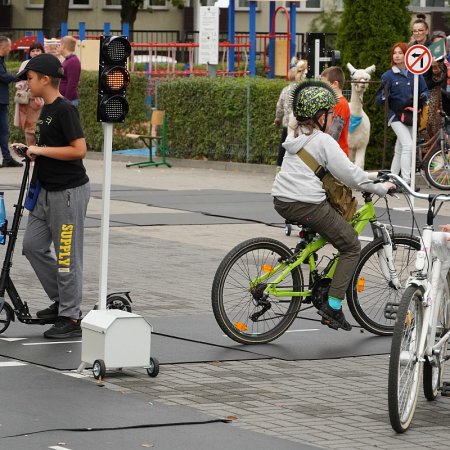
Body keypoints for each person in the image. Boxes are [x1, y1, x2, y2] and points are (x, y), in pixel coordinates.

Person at [272, 80, 394, 331]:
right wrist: (379, 187)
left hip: (282, 200)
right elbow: (350, 175)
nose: (331, 117)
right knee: (350, 243)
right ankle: (333, 306)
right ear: (318, 116)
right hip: (305, 205)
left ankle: (310, 258)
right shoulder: (322, 141)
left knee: (328, 225)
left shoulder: (294, 135)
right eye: (328, 113)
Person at [16, 53, 90, 339]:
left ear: (45, 79)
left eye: (30, 79)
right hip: (45, 191)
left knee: (67, 256)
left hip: (68, 193)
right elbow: (48, 148)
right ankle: (62, 300)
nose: (27, 84)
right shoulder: (45, 108)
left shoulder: (65, 110)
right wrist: (28, 150)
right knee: (32, 246)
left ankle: (70, 318)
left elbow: (79, 150)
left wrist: (40, 151)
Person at [376, 42, 428, 186]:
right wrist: (383, 97)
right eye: (394, 52)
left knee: (400, 149)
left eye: (400, 52)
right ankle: (406, 181)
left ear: (407, 55)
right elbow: (379, 99)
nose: (397, 55)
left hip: (411, 116)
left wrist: (424, 96)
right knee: (408, 145)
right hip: (395, 115)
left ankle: (392, 180)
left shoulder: (415, 74)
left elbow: (425, 90)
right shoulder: (387, 76)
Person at [274, 57, 308, 169]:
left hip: (287, 124)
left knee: (283, 149)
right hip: (303, 127)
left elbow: (279, 107)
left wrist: (278, 119)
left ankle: (279, 170)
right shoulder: (307, 90)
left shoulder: (286, 89)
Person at [14, 42, 45, 146]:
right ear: (30, 53)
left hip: (42, 101)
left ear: (42, 51)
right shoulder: (25, 63)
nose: (35, 53)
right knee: (29, 131)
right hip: (27, 102)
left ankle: (40, 157)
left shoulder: (46, 64)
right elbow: (18, 82)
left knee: (42, 129)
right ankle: (31, 157)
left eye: (38, 50)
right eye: (33, 50)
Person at [0, 36, 23, 168]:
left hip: (2, 101)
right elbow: (4, 76)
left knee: (3, 131)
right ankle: (7, 158)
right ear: (2, 47)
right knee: (3, 130)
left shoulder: (1, 60)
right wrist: (19, 77)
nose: (10, 49)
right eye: (9, 46)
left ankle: (7, 158)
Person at [321, 66, 350, 156]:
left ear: (335, 84)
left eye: (324, 85)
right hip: (331, 154)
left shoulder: (341, 104)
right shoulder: (331, 103)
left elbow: (333, 135)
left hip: (337, 155)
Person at [424, 31, 448, 140]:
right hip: (419, 97)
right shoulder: (424, 58)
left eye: (441, 43)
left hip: (435, 99)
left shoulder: (442, 62)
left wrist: (434, 67)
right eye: (436, 43)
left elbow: (438, 79)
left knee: (433, 128)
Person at [57, 36, 81, 107]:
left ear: (63, 46)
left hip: (69, 101)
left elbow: (72, 84)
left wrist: (65, 102)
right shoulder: (68, 60)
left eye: (59, 45)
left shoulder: (73, 61)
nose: (58, 47)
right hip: (65, 100)